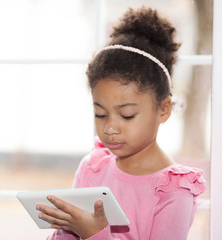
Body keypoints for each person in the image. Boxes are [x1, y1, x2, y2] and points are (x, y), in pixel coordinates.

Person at [36, 7, 206, 240]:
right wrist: (64, 227)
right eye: (100, 114)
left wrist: (94, 234)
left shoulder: (173, 191)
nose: (110, 128)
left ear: (163, 109)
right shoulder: (92, 168)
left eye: (126, 116)